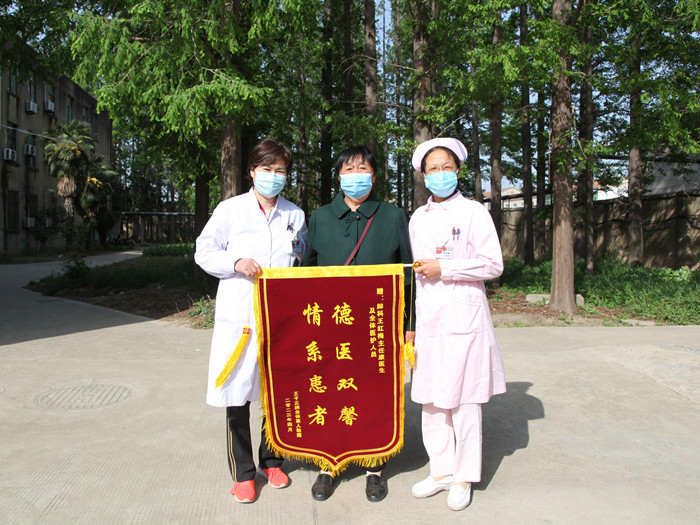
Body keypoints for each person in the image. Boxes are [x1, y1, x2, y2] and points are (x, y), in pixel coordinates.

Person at [195, 137, 307, 504]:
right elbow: (203, 250)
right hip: (241, 316)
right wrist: (235, 262)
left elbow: (302, 259)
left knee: (276, 392)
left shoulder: (294, 214)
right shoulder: (230, 210)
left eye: (280, 171)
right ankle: (243, 473)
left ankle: (271, 461)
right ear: (252, 171)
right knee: (237, 392)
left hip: (281, 317)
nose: (273, 176)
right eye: (267, 169)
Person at [302, 145, 414, 503]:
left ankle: (374, 465)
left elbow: (408, 274)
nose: (356, 176)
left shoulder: (392, 216)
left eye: (362, 169)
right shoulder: (320, 217)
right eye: (348, 170)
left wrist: (409, 324)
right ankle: (328, 463)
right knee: (329, 391)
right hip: (329, 326)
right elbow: (304, 274)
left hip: (378, 325)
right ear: (338, 177)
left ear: (374, 176)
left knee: (373, 393)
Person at [407, 137, 506, 511]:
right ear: (424, 176)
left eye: (446, 166)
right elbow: (415, 271)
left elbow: (492, 264)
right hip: (429, 318)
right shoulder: (418, 218)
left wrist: (445, 268)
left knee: (464, 399)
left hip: (465, 316)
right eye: (432, 168)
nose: (440, 173)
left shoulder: (474, 213)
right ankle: (441, 470)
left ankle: (463, 476)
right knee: (432, 398)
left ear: (458, 170)